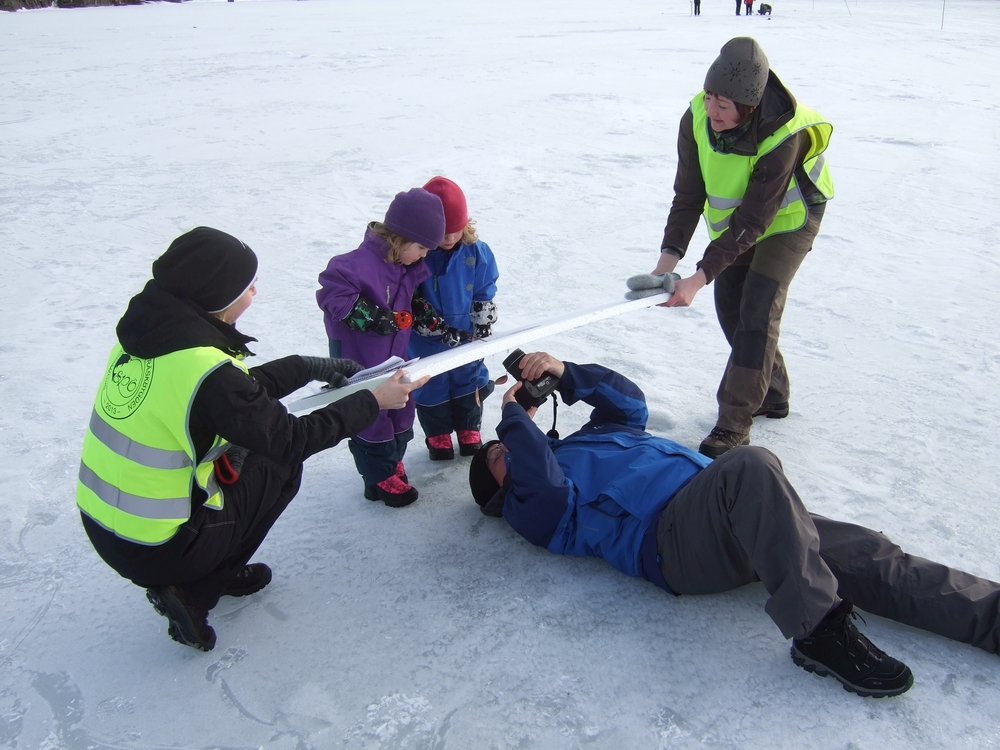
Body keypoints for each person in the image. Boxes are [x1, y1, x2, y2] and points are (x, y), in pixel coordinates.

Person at [469, 352, 1000, 698]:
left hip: (735, 510)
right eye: (496, 457)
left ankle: (989, 615)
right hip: (672, 543)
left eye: (502, 448)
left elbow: (630, 402)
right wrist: (513, 421)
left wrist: (566, 373)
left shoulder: (586, 441)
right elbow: (546, 485)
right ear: (495, 492)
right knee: (751, 464)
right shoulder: (527, 508)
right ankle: (818, 631)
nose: (505, 453)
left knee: (868, 553)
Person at [77, 227, 426, 652]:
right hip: (158, 546)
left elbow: (234, 394)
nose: (256, 291)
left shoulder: (151, 341)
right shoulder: (206, 371)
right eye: (247, 285)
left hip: (107, 526)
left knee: (259, 454)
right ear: (218, 297)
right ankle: (197, 590)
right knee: (280, 465)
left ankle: (205, 568)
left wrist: (308, 367)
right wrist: (372, 400)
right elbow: (290, 438)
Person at [649, 38, 834, 458]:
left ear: (749, 107)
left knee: (757, 308)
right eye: (710, 96)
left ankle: (733, 423)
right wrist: (668, 260)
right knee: (731, 306)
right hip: (742, 226)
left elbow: (753, 221)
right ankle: (771, 391)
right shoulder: (696, 117)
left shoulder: (784, 135)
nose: (712, 109)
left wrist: (698, 277)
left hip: (791, 220)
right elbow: (688, 194)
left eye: (724, 104)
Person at [317, 188, 446, 507]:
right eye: (420, 247)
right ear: (399, 238)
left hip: (395, 363)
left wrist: (426, 317)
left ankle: (391, 464)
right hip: (361, 366)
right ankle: (377, 475)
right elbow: (333, 295)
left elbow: (412, 300)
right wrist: (374, 318)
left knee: (401, 414)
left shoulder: (406, 269)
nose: (423, 255)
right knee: (370, 420)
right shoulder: (352, 266)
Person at [408, 176, 500, 461]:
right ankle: (437, 433)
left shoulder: (477, 251)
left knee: (467, 378)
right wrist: (429, 325)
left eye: (455, 230)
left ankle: (468, 427)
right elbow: (409, 295)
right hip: (427, 341)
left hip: (465, 335)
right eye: (442, 232)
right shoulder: (418, 255)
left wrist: (483, 316)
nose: (448, 238)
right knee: (430, 383)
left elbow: (485, 286)